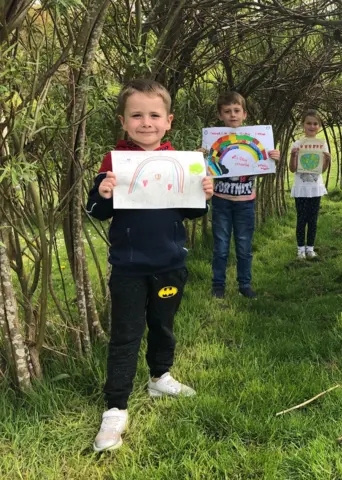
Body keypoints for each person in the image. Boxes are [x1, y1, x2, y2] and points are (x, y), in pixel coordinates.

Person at [86, 79, 214, 452]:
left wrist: (203, 191)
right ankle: (115, 406)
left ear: (168, 120)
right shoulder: (114, 162)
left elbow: (191, 212)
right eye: (136, 115)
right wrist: (103, 192)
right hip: (127, 267)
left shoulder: (182, 160)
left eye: (154, 115)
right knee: (126, 334)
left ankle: (159, 376)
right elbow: (95, 210)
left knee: (163, 324)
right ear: (124, 121)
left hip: (171, 264)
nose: (146, 122)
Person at [209, 91, 280, 299]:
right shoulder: (213, 139)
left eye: (236, 110)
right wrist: (201, 156)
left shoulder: (258, 139)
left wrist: (273, 157)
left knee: (244, 246)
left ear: (244, 114)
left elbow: (264, 163)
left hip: (246, 203)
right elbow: (205, 165)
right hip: (221, 201)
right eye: (227, 111)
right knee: (220, 247)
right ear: (220, 115)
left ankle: (244, 285)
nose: (232, 115)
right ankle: (218, 287)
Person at [289, 109, 331, 260]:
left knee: (313, 219)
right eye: (309, 123)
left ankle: (310, 249)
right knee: (301, 219)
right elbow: (293, 169)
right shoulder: (297, 143)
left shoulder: (322, 145)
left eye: (315, 124)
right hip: (301, 188)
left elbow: (322, 170)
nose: (312, 126)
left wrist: (327, 159)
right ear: (303, 125)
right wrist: (293, 155)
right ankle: (300, 249)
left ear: (319, 126)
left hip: (315, 188)